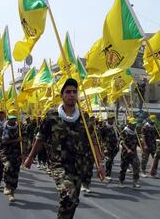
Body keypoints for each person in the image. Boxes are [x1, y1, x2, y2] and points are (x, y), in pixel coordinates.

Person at [24, 78, 104, 219]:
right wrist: (30, 157)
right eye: (68, 92)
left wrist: (99, 164)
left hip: (78, 166)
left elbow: (94, 142)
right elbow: (40, 137)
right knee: (69, 195)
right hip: (58, 165)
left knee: (72, 202)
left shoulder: (84, 118)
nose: (72, 94)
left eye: (74, 92)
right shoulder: (51, 116)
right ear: (62, 95)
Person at [1, 110, 22, 202]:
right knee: (8, 167)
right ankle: (6, 186)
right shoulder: (4, 128)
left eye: (14, 118)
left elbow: (23, 141)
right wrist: (16, 140)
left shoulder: (20, 128)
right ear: (8, 118)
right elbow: (4, 141)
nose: (12, 120)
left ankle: (11, 193)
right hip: (6, 153)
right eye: (11, 118)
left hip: (17, 154)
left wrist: (24, 154)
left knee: (15, 174)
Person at [119, 117, 141, 188]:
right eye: (133, 124)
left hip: (133, 153)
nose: (134, 126)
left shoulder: (135, 132)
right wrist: (127, 149)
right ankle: (121, 182)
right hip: (126, 152)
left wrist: (141, 147)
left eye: (135, 124)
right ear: (129, 124)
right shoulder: (125, 131)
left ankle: (135, 182)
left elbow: (137, 141)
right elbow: (121, 142)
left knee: (136, 165)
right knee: (124, 167)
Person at [101, 113, 119, 181]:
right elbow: (101, 137)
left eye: (113, 119)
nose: (112, 120)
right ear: (108, 119)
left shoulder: (114, 127)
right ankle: (107, 174)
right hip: (107, 146)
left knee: (110, 160)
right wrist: (103, 146)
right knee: (109, 160)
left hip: (114, 146)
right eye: (111, 119)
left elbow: (117, 135)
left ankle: (105, 170)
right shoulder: (104, 127)